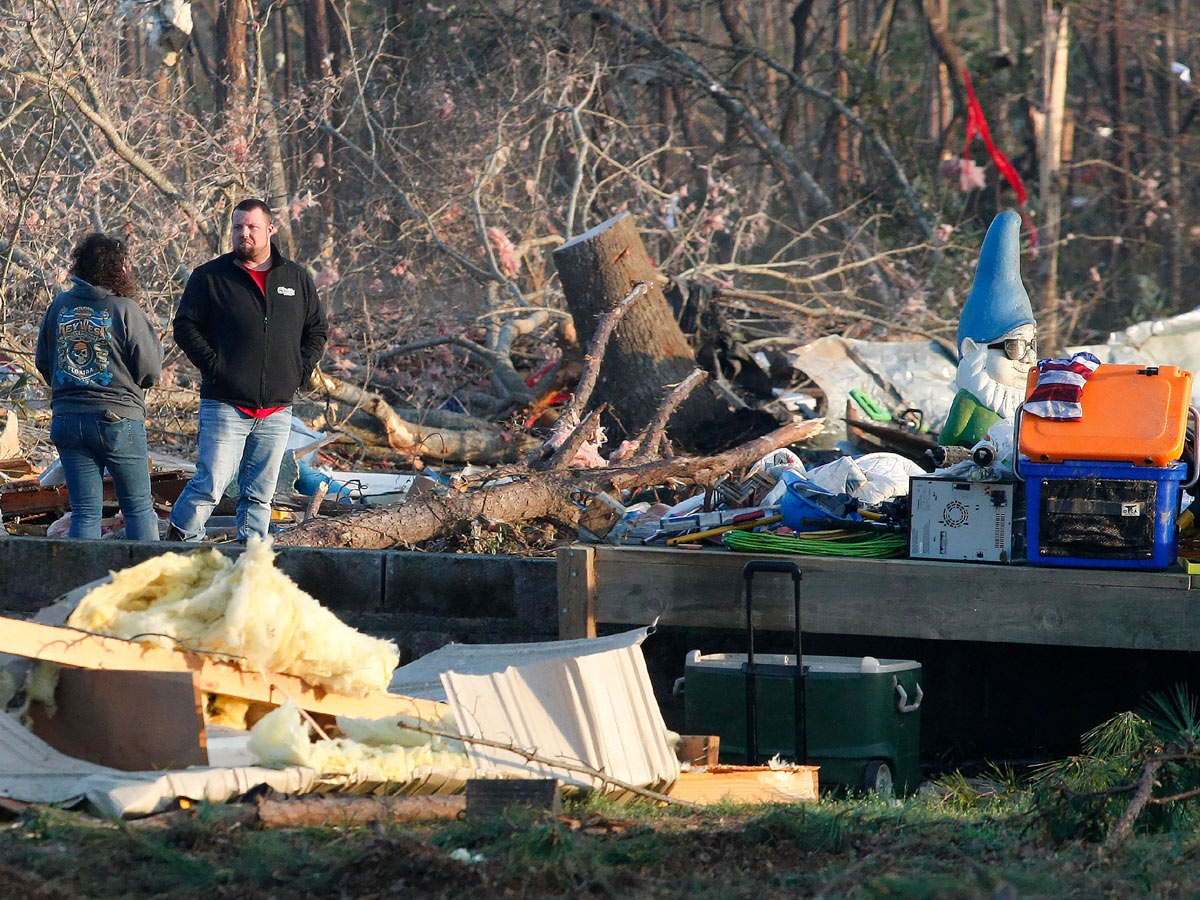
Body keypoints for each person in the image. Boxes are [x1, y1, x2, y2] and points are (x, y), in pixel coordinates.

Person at [168, 198, 327, 541]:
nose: (244, 234)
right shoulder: (210, 277)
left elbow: (316, 330)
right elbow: (184, 327)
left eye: (252, 227)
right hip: (225, 404)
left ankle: (250, 559)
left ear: (270, 230)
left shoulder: (295, 278)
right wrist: (215, 367)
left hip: (276, 408)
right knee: (211, 485)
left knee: (260, 495)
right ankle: (179, 545)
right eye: (238, 227)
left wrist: (298, 370)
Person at [35, 233, 164, 540]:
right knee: (138, 509)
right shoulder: (125, 309)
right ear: (117, 268)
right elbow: (150, 371)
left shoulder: (58, 307)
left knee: (84, 512)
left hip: (67, 419)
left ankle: (83, 585)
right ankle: (149, 584)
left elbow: (44, 363)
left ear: (79, 266)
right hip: (117, 420)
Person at [939, 210, 1039, 448]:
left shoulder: (1032, 409)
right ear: (973, 350)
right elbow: (948, 439)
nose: (1028, 360)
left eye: (1032, 346)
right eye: (1014, 347)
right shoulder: (969, 401)